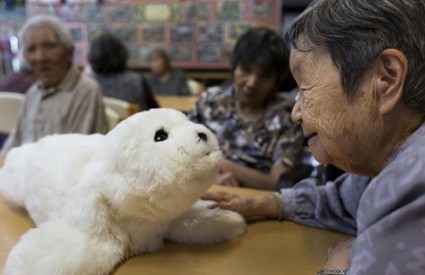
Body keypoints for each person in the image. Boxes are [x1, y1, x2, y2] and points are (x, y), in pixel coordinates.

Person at [203, 0, 425, 274]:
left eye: (304, 87)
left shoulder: (416, 179)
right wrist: (264, 203)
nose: (296, 113)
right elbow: (340, 202)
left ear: (385, 79)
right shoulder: (381, 163)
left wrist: (338, 268)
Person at [188, 27, 306, 190]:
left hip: (256, 201)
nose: (252, 82)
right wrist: (210, 178)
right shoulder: (211, 100)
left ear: (276, 80)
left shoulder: (287, 115)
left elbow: (278, 182)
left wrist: (225, 167)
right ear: (235, 66)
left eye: (264, 76)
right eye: (246, 70)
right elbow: (180, 153)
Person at [1, 15, 108, 158]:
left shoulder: (85, 90)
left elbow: (74, 161)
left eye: (49, 46)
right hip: (23, 175)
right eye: (31, 49)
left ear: (69, 51)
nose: (40, 57)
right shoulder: (33, 93)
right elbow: (12, 147)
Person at [87, 32, 158, 111]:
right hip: (134, 123)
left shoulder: (89, 86)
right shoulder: (137, 81)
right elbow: (156, 112)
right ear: (121, 52)